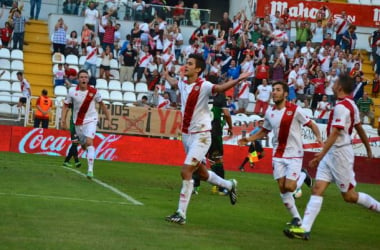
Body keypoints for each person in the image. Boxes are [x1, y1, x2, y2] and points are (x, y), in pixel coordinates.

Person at [284, 74, 380, 241]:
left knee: (349, 196)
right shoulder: (351, 105)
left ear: (340, 87)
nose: (333, 85)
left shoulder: (342, 107)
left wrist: (320, 155)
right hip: (333, 153)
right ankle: (304, 229)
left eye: (335, 83)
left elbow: (335, 133)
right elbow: (359, 128)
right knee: (317, 189)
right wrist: (367, 148)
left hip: (340, 154)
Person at [163, 53, 250, 225]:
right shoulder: (182, 82)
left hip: (202, 136)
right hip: (187, 136)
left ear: (198, 69)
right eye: (186, 63)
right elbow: (174, 83)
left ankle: (181, 213)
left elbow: (220, 88)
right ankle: (229, 185)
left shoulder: (204, 85)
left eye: (189, 64)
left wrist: (238, 79)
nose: (185, 66)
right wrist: (166, 75)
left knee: (185, 171)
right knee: (201, 173)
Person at [238, 81, 322, 228]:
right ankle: (297, 218)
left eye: (277, 90)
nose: (274, 92)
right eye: (273, 90)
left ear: (285, 94)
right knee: (282, 189)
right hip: (278, 154)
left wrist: (319, 138)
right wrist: (248, 139)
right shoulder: (269, 112)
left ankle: (303, 176)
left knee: (290, 187)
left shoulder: (295, 110)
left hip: (295, 153)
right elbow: (264, 131)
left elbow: (312, 124)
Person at [60, 69, 111, 179]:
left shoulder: (94, 91)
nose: (84, 79)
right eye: (82, 77)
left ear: (88, 79)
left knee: (89, 142)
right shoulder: (72, 92)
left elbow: (102, 105)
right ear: (78, 79)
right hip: (78, 123)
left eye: (85, 77)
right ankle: (88, 154)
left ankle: (90, 170)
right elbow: (65, 106)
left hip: (91, 120)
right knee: (83, 146)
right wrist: (62, 120)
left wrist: (109, 118)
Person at [193, 75, 234, 196]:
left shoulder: (201, 95)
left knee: (197, 157)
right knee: (217, 159)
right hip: (215, 132)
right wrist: (230, 127)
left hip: (201, 131)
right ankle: (221, 188)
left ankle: (195, 186)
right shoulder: (220, 96)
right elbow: (226, 114)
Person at [63, 103, 81, 168]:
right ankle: (76, 161)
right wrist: (64, 121)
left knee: (75, 144)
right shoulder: (74, 101)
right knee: (75, 143)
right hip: (74, 125)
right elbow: (66, 109)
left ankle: (66, 161)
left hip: (80, 125)